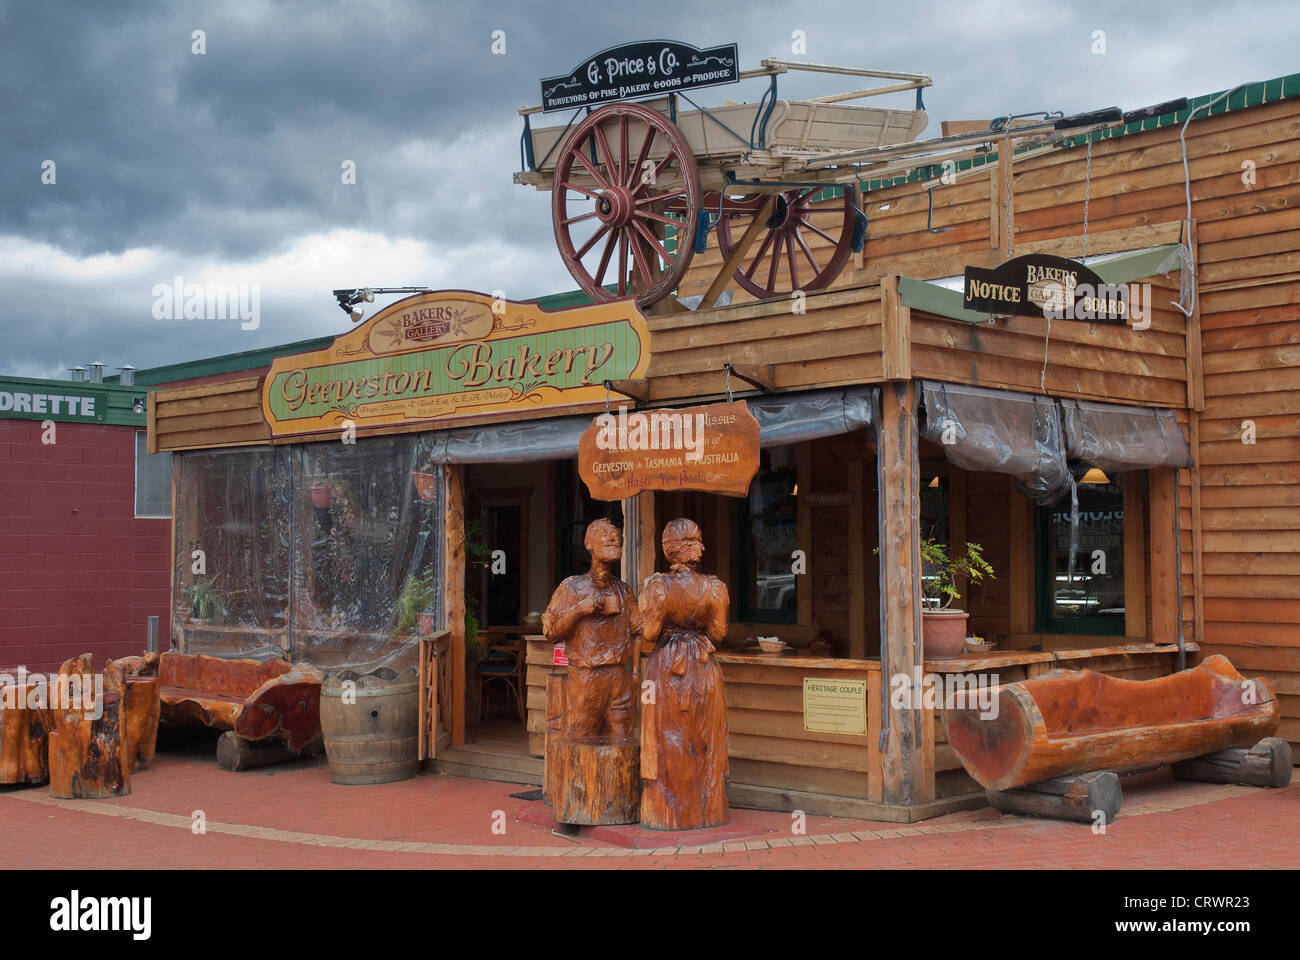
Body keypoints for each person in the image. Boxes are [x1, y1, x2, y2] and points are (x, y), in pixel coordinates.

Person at [637, 517, 729, 830]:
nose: (701, 546)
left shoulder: (657, 587)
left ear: (667, 549)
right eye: (696, 541)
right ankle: (708, 810)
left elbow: (649, 634)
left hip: (667, 667)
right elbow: (718, 633)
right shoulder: (715, 588)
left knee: (668, 739)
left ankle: (672, 811)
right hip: (704, 668)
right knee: (705, 739)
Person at [541, 519, 641, 739]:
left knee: (621, 743)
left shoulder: (624, 591)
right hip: (586, 679)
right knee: (582, 741)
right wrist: (579, 610)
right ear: (589, 544)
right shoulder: (572, 587)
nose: (614, 538)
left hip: (619, 679)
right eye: (606, 534)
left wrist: (634, 673)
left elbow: (638, 632)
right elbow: (551, 632)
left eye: (616, 535)